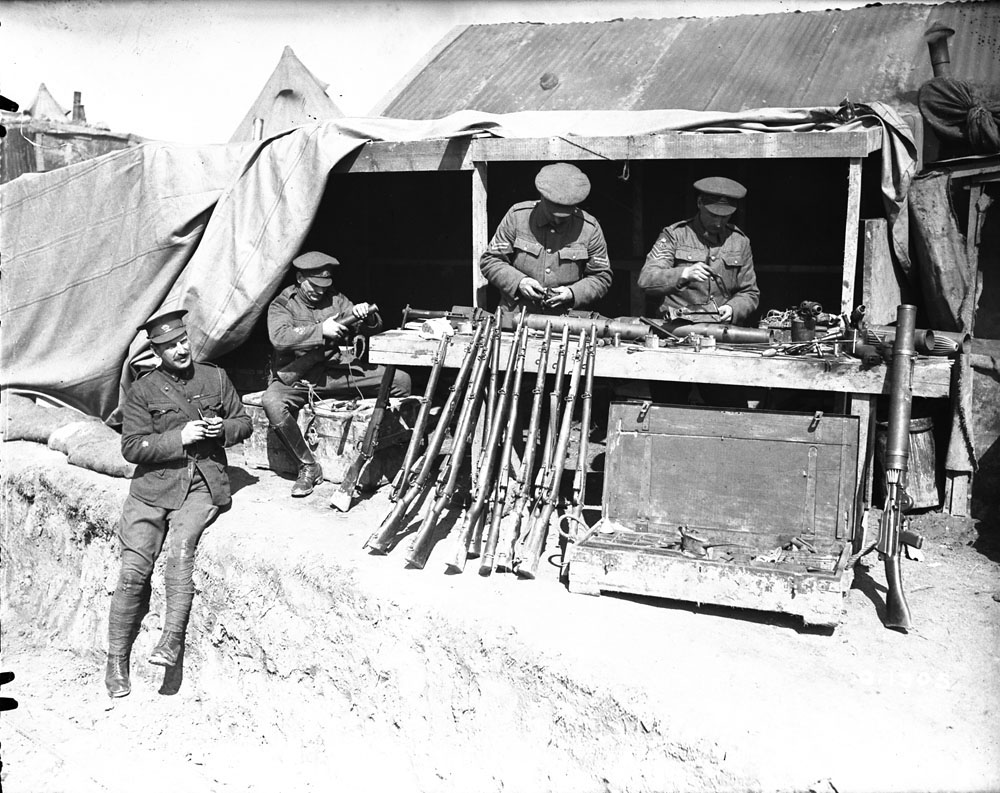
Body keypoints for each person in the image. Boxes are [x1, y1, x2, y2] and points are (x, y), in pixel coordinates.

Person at [106, 309, 252, 698]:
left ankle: (171, 640)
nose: (181, 349)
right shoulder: (142, 391)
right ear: (157, 351)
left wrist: (224, 430)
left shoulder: (214, 376)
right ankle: (116, 660)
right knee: (134, 571)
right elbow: (132, 448)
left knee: (182, 547)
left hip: (203, 481)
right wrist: (180, 437)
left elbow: (244, 422)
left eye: (183, 341)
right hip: (153, 487)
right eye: (170, 346)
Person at [261, 251, 411, 497]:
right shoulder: (282, 304)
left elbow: (370, 329)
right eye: (314, 285)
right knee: (272, 402)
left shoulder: (337, 299)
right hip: (300, 378)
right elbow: (279, 338)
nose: (320, 291)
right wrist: (322, 330)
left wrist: (368, 316)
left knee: (399, 381)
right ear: (300, 278)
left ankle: (389, 451)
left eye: (325, 285)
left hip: (338, 372)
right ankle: (308, 467)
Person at [638, 177, 761, 407]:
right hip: (675, 337)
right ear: (699, 204)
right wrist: (683, 274)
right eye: (714, 214)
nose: (719, 221)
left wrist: (732, 308)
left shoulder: (740, 242)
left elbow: (750, 292)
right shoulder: (675, 235)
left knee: (729, 409)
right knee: (669, 408)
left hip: (720, 340)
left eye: (725, 216)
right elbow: (646, 280)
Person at [479, 162, 612, 315]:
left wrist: (572, 293)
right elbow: (490, 260)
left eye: (564, 217)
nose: (557, 221)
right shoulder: (517, 217)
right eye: (552, 214)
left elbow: (601, 276)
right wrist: (520, 282)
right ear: (541, 197)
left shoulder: (589, 229)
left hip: (565, 322)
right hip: (515, 317)